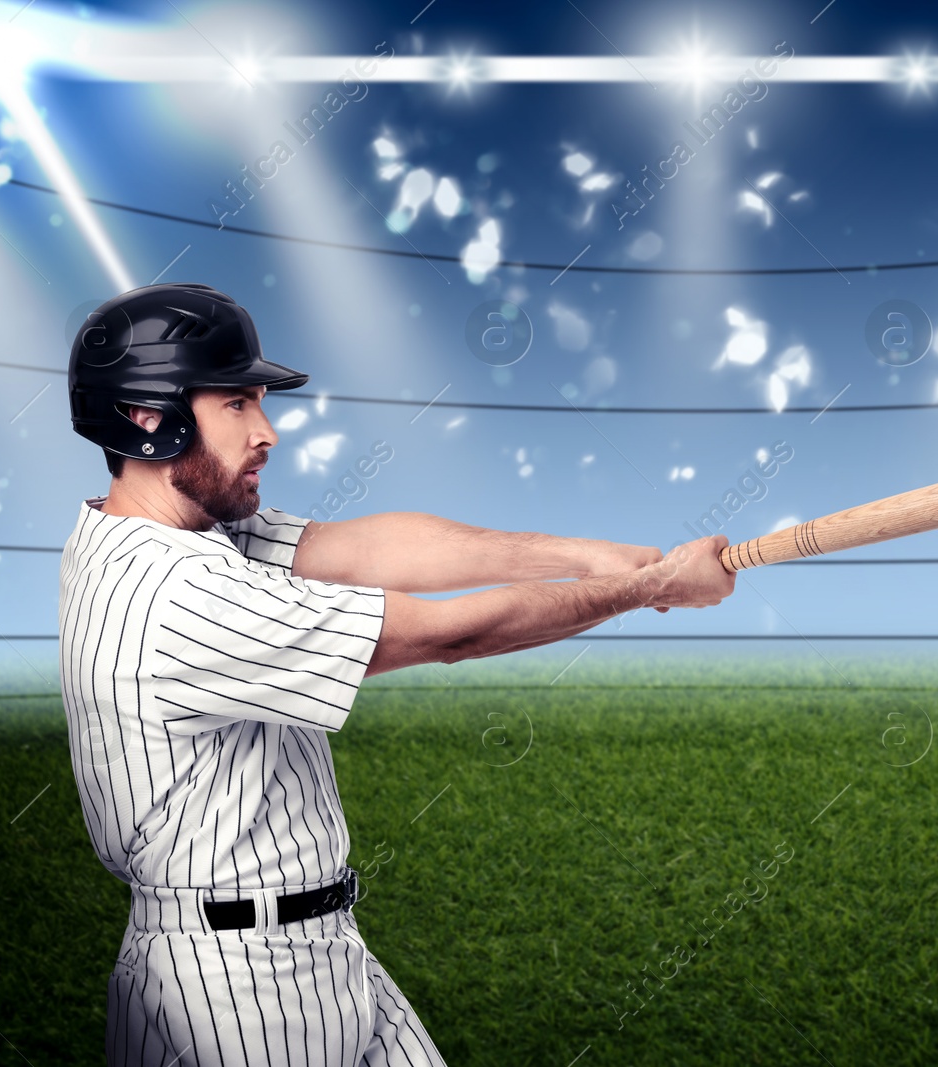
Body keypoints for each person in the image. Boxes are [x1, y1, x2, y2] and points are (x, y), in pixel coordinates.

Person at [59, 283, 734, 1066]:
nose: (267, 431)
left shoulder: (171, 533)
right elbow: (453, 633)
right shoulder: (175, 593)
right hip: (235, 985)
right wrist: (647, 589)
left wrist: (586, 555)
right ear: (147, 415)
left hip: (313, 946)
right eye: (238, 404)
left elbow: (373, 549)